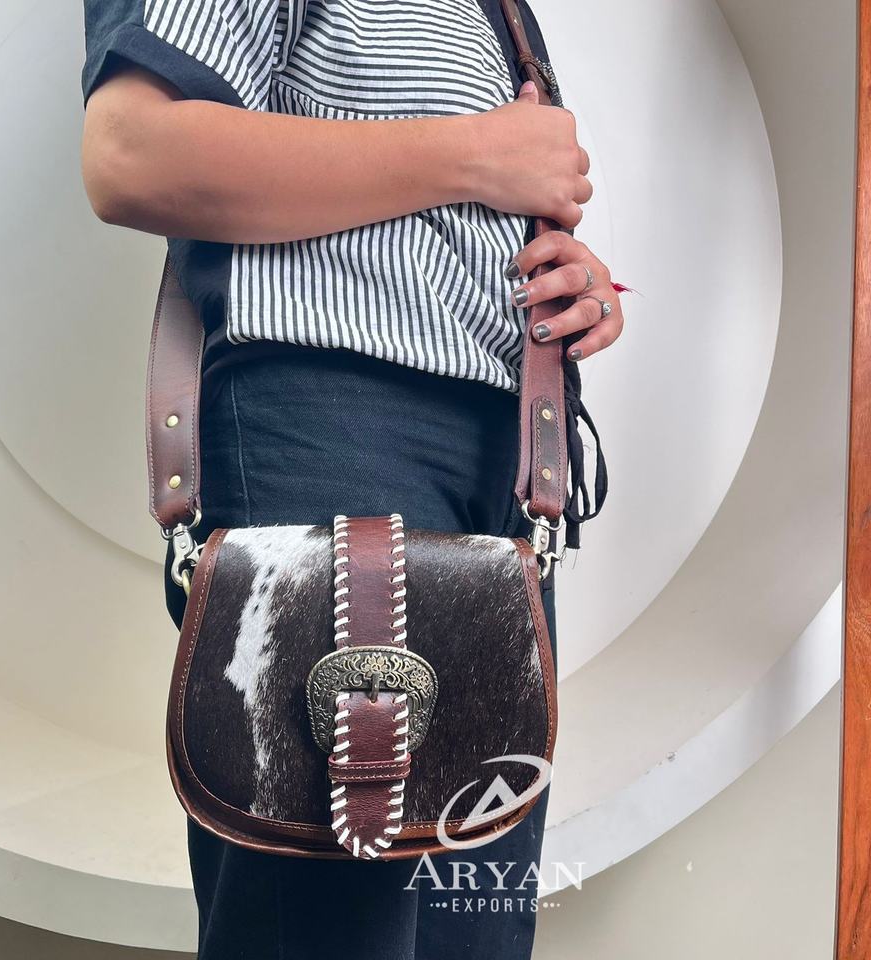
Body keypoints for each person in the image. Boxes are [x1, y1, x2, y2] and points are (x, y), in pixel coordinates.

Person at [80, 2, 621, 957]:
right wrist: (475, 156)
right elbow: (133, 152)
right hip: (335, 436)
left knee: (471, 929)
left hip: (500, 480)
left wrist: (555, 284)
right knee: (332, 920)